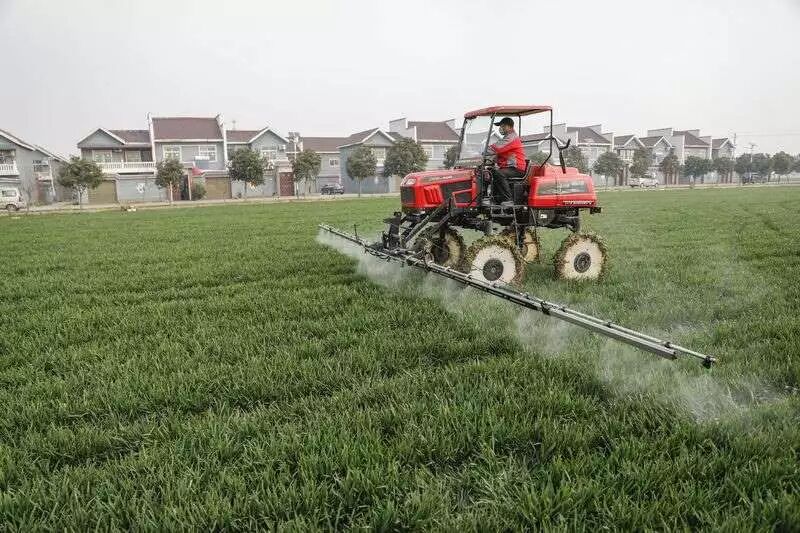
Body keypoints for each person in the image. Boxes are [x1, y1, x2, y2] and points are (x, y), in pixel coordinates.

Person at [487, 117, 526, 205]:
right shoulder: (506, 138)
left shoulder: (511, 137)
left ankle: (508, 199)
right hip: (509, 167)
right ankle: (495, 198)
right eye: (500, 126)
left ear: (510, 127)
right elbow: (499, 154)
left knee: (499, 173)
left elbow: (497, 148)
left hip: (516, 168)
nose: (501, 128)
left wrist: (481, 152)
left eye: (503, 126)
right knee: (488, 172)